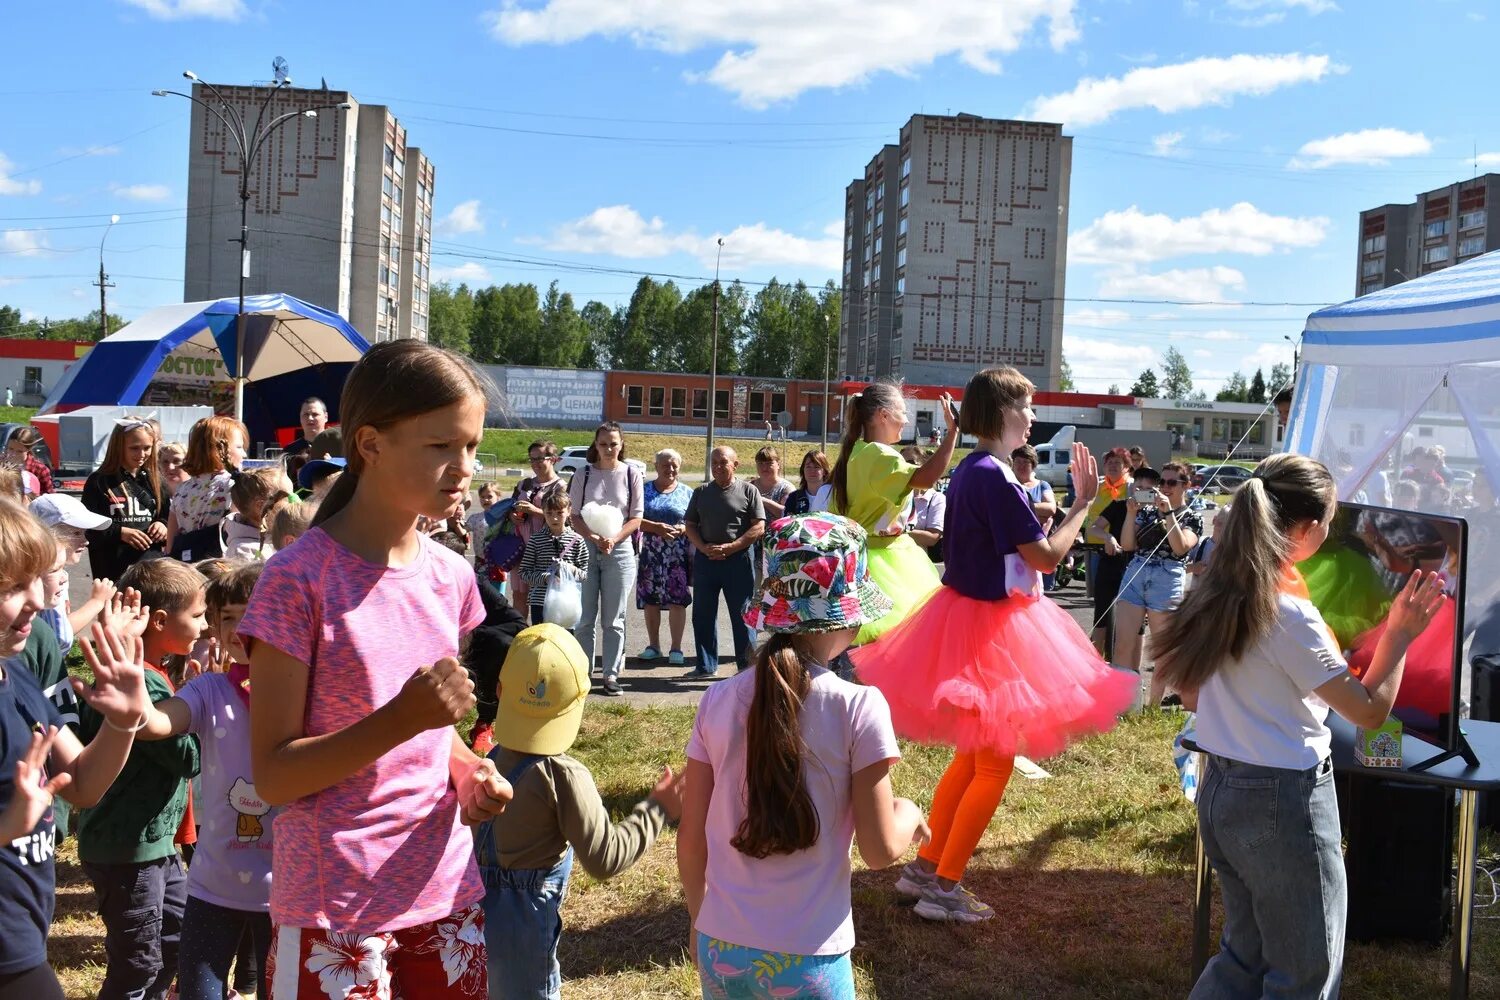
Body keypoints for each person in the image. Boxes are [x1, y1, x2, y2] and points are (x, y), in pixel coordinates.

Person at [240, 339, 509, 999]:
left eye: (471, 447)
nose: (462, 467)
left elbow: (429, 732)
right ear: (370, 444)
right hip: (336, 911)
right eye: (440, 446)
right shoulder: (296, 581)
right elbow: (274, 775)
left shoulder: (450, 575)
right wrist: (399, 721)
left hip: (444, 895)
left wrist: (466, 769)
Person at [1155, 454, 1445, 1000]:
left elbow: (1191, 692)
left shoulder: (1219, 586)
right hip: (1281, 798)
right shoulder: (1288, 612)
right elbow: (1367, 712)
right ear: (1309, 530)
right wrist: (1400, 635)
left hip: (1221, 787)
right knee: (1305, 973)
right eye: (1331, 521)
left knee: (1244, 956)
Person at [852, 367, 1135, 922]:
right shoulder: (995, 476)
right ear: (1004, 412)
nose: (1033, 417)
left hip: (970, 620)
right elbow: (1047, 558)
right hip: (993, 627)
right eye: (1027, 407)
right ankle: (944, 883)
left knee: (974, 755)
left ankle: (927, 866)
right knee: (993, 764)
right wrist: (1082, 503)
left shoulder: (973, 470)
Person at [678, 513, 928, 998]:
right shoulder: (860, 705)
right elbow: (878, 851)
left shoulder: (717, 699)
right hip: (810, 956)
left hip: (721, 945)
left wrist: (699, 917)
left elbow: (692, 838)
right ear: (848, 614)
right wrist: (909, 812)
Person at [475, 625, 684, 1000]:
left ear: (501, 691)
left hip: (473, 918)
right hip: (523, 929)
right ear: (577, 701)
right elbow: (605, 858)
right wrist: (657, 809)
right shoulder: (563, 775)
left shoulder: (487, 761)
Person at [1, 496, 154, 1000]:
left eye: (34, 582)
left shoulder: (17, 677)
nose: (38, 602)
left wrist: (123, 722)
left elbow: (84, 785)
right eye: (12, 588)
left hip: (23, 932)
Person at [129, 563, 276, 1000]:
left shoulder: (305, 692)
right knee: (197, 991)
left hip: (288, 891)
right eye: (226, 617)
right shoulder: (209, 689)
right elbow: (159, 721)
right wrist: (133, 696)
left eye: (249, 613)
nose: (237, 628)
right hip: (213, 886)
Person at [78, 558, 206, 1000]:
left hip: (158, 846)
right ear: (159, 621)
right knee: (137, 962)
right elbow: (186, 757)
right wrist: (210, 710)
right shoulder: (146, 687)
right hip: (128, 850)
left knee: (175, 942)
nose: (205, 626)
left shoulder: (155, 676)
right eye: (198, 615)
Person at [828, 382, 957, 644]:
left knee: (873, 649)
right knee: (892, 646)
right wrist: (953, 432)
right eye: (902, 411)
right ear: (883, 415)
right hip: (883, 562)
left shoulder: (860, 451)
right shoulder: (878, 454)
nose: (906, 419)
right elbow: (926, 478)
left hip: (871, 555)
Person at [1113, 463, 1203, 706]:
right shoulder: (1146, 512)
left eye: (1172, 483)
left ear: (1186, 485)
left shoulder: (1193, 516)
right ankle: (1124, 704)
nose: (1165, 487)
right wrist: (1131, 514)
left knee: (1161, 650)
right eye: (1162, 482)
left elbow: (1181, 547)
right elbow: (1128, 545)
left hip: (1167, 577)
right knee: (1123, 643)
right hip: (1137, 572)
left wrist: (1168, 513)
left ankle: (1152, 706)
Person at [568, 422, 643, 698]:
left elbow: (636, 516)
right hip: (586, 549)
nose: (609, 448)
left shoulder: (631, 473)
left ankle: (611, 675)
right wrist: (593, 536)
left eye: (613, 443)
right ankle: (583, 674)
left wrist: (615, 539)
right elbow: (574, 515)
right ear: (595, 445)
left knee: (615, 619)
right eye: (603, 444)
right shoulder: (582, 474)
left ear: (621, 444)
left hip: (620, 551)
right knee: (585, 618)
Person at [683, 446, 766, 678]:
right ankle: (706, 665)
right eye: (714, 463)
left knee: (742, 615)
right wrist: (703, 547)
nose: (718, 467)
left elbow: (758, 526)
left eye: (723, 462)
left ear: (735, 465)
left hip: (738, 560)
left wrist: (731, 547)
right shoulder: (700, 492)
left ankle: (747, 668)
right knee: (703, 614)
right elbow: (690, 525)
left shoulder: (749, 491)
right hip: (706, 560)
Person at [82, 417, 171, 582]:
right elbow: (87, 526)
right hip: (112, 569)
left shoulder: (157, 480)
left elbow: (167, 515)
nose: (142, 454)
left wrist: (163, 525)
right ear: (118, 447)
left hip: (151, 568)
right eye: (134, 448)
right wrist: (119, 533)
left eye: (147, 448)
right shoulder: (99, 481)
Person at [637, 448, 693, 664]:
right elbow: (633, 519)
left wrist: (682, 528)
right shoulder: (644, 491)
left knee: (677, 601)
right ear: (656, 466)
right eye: (665, 464)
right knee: (651, 600)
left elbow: (694, 522)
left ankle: (676, 649)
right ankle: (654, 646)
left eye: (674, 465)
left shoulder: (688, 492)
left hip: (677, 556)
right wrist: (656, 527)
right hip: (651, 554)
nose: (670, 469)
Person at [166, 416, 248, 562]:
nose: (244, 454)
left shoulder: (182, 489)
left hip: (186, 567)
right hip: (220, 567)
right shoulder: (234, 486)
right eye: (239, 447)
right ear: (220, 450)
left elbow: (170, 544)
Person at [518, 491, 590, 626]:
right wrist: (545, 578)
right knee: (541, 641)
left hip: (567, 603)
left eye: (559, 513)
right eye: (549, 513)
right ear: (543, 512)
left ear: (568, 511)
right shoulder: (535, 540)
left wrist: (568, 569)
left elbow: (584, 575)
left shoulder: (577, 540)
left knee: (564, 643)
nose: (554, 518)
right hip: (539, 602)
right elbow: (524, 572)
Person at [511, 441, 566, 605]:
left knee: (542, 598)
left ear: (553, 459)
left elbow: (564, 517)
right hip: (520, 548)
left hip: (545, 549)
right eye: (532, 459)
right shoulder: (524, 483)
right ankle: (520, 630)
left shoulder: (560, 486)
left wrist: (534, 511)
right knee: (519, 595)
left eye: (540, 459)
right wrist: (512, 516)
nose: (535, 463)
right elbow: (510, 506)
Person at [220, 466, 292, 562]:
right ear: (261, 506)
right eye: (288, 498)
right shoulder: (242, 551)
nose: (294, 502)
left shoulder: (280, 533)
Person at [1011, 445, 1058, 590]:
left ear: (1033, 465)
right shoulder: (1009, 484)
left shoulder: (1043, 485)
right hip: (1015, 546)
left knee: (1043, 588)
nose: (1021, 466)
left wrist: (1020, 508)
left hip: (1040, 542)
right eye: (1018, 461)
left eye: (1026, 462)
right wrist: (1036, 509)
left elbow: (1050, 509)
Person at [901, 446, 947, 561]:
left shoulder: (936, 498)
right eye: (900, 462)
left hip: (920, 563)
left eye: (910, 462)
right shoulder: (894, 495)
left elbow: (932, 538)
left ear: (924, 465)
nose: (905, 466)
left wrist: (898, 532)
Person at [749, 446, 795, 521]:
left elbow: (789, 515)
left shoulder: (786, 489)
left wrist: (764, 501)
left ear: (778, 465)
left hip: (778, 532)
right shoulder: (750, 487)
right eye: (760, 463)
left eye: (769, 463)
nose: (764, 467)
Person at [5, 428, 53, 496]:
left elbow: (49, 497)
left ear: (28, 450)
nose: (13, 454)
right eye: (10, 449)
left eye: (19, 451)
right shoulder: (1, 464)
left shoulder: (40, 469)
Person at [785, 450, 832, 516]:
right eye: (808, 467)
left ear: (824, 471)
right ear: (803, 470)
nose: (812, 470)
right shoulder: (794, 498)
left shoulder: (832, 495)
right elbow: (787, 522)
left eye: (816, 467)